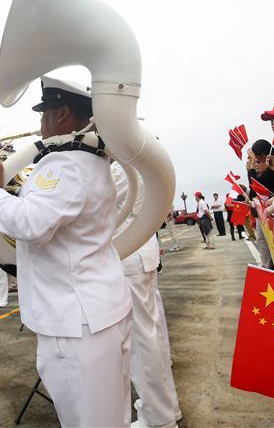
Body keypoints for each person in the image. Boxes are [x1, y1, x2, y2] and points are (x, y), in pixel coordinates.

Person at [0, 76, 133, 428]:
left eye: (44, 112)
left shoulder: (65, 164)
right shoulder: (91, 160)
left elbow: (31, 223)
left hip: (74, 322)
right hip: (96, 311)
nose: (40, 123)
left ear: (62, 113)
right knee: (112, 418)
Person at [112, 163, 180, 428]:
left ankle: (157, 417)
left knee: (142, 344)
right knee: (154, 337)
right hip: (140, 253)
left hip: (129, 256)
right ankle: (166, 409)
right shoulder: (136, 161)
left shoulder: (121, 167)